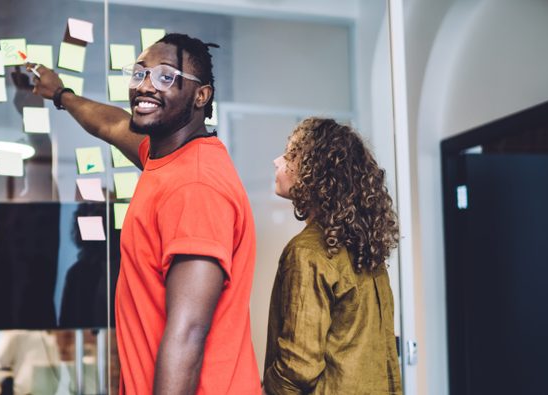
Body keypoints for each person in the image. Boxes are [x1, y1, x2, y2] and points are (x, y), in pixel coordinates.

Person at [22, 33, 261, 394]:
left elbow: (188, 332)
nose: (145, 86)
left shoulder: (195, 188)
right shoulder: (164, 157)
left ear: (201, 96)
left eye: (166, 77)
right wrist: (61, 95)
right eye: (139, 74)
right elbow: (111, 124)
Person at [264, 117, 402, 394]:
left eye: (291, 155)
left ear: (318, 173)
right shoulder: (364, 247)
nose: (277, 161)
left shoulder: (307, 252)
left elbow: (298, 367)